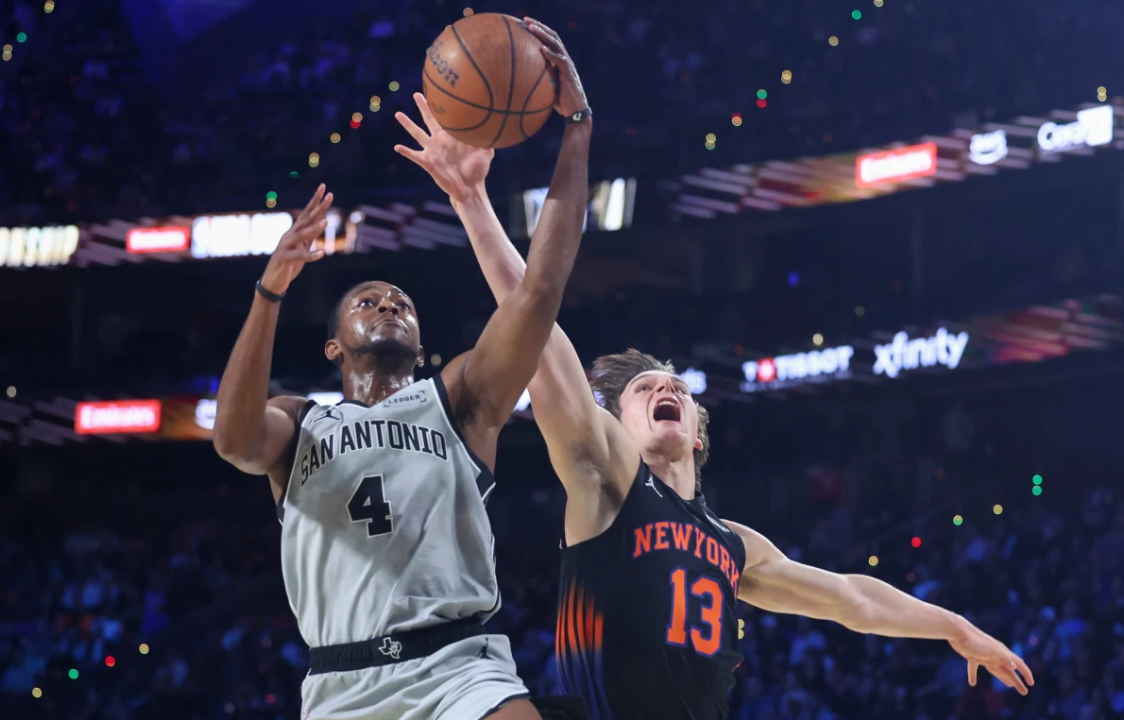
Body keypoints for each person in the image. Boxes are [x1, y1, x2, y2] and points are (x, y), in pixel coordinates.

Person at [394, 71, 1035, 720]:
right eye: (645, 388)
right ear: (616, 426)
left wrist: (954, 626)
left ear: (699, 432)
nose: (666, 385)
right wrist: (473, 201)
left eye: (676, 385)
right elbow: (537, 329)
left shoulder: (734, 545)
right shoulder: (607, 482)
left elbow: (851, 597)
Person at [212, 18, 592, 720]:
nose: (387, 300)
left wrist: (576, 129)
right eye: (366, 299)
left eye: (400, 302)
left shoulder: (459, 402)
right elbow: (233, 440)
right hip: (342, 685)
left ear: (421, 347)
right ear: (334, 345)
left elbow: (538, 292)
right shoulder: (302, 423)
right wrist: (269, 293)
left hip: (463, 668)